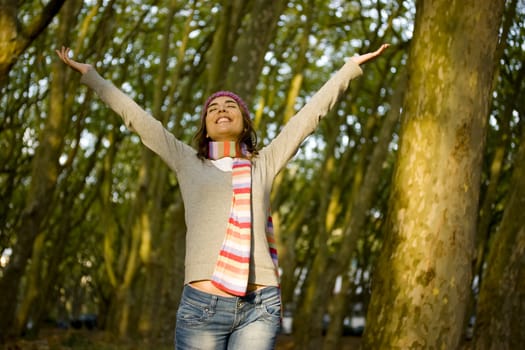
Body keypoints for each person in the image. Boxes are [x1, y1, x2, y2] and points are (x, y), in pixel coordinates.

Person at [56, 42, 389, 350]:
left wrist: (348, 69)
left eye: (231, 105)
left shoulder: (265, 163)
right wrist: (92, 76)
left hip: (260, 306)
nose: (221, 110)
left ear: (244, 123)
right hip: (202, 307)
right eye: (213, 108)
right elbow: (138, 120)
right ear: (206, 125)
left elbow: (308, 117)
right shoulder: (187, 161)